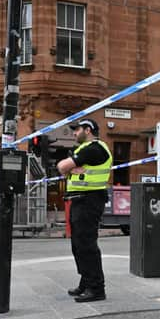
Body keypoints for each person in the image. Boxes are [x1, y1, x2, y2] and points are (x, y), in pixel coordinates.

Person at [57, 119, 112, 303]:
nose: (74, 133)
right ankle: (86, 282)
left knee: (86, 245)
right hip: (80, 200)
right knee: (78, 245)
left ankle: (96, 288)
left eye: (77, 130)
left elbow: (62, 167)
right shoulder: (85, 150)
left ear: (88, 130)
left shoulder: (94, 148)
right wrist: (72, 169)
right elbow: (65, 170)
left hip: (89, 200)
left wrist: (70, 168)